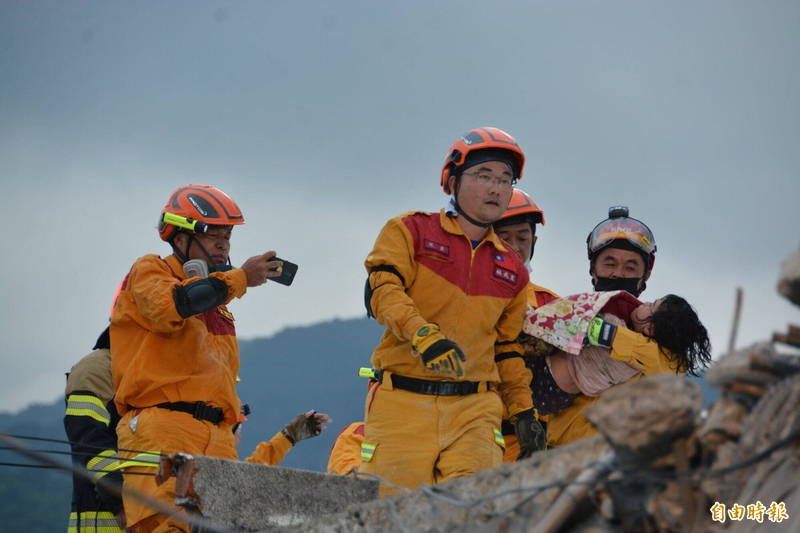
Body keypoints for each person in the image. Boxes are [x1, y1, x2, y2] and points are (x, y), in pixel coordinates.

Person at [361, 127, 534, 495]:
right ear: (451, 180)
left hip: (475, 408)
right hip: (401, 402)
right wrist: (425, 336)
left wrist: (524, 412)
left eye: (505, 180)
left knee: (473, 513)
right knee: (392, 515)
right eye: (484, 176)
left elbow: (508, 349)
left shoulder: (513, 269)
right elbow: (383, 292)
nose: (496, 188)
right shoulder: (410, 230)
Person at [110, 184, 285, 532]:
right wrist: (240, 278)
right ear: (179, 237)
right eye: (211, 233)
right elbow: (172, 307)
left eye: (227, 235)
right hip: (163, 427)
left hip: (217, 434)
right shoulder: (151, 270)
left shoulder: (218, 300)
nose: (223, 243)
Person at [545, 206, 683, 446]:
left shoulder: (660, 332)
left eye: (630, 267)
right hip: (555, 457)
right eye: (610, 264)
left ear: (645, 275)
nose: (618, 274)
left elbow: (674, 367)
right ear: (593, 269)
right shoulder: (565, 315)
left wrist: (610, 335)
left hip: (617, 463)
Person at [524, 291, 711, 416]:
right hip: (557, 400)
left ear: (650, 329)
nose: (644, 302)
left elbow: (566, 321)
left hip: (542, 375)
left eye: (651, 305)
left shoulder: (613, 326)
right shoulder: (637, 365)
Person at [493, 188, 558, 461]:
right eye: (504, 237)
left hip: (534, 443)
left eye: (523, 237)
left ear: (535, 242)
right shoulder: (461, 299)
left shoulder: (551, 305)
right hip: (476, 435)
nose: (514, 247)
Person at [64, 328, 127, 532]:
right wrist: (122, 501)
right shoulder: (97, 368)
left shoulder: (170, 373)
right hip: (109, 521)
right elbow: (89, 439)